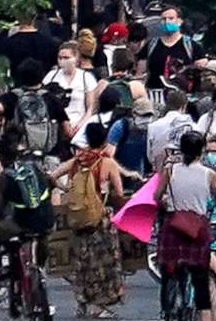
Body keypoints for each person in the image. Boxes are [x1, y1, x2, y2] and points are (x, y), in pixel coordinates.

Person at [52, 128, 127, 318]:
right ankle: (99, 306)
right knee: (102, 264)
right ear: (103, 142)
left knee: (82, 263)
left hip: (77, 220)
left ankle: (82, 303)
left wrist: (66, 189)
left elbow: (52, 176)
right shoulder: (106, 163)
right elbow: (118, 193)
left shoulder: (77, 162)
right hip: (99, 221)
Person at [155, 129, 216, 321]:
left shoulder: (170, 171)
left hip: (173, 226)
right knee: (200, 280)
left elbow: (156, 196)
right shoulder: (209, 174)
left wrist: (166, 202)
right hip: (197, 228)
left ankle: (167, 308)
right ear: (201, 150)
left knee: (169, 272)